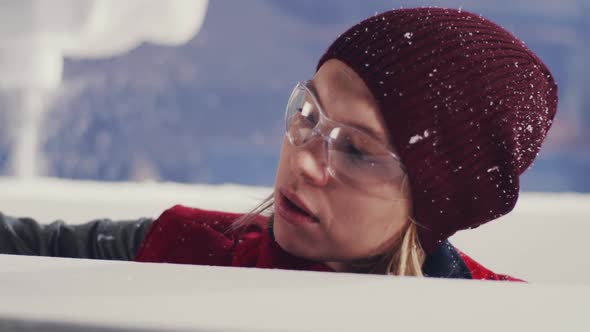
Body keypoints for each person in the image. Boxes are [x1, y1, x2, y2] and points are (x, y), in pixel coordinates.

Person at [0, 7, 557, 280]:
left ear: (437, 203)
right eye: (307, 113)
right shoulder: (183, 249)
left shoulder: (502, 316)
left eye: (357, 150)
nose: (305, 160)